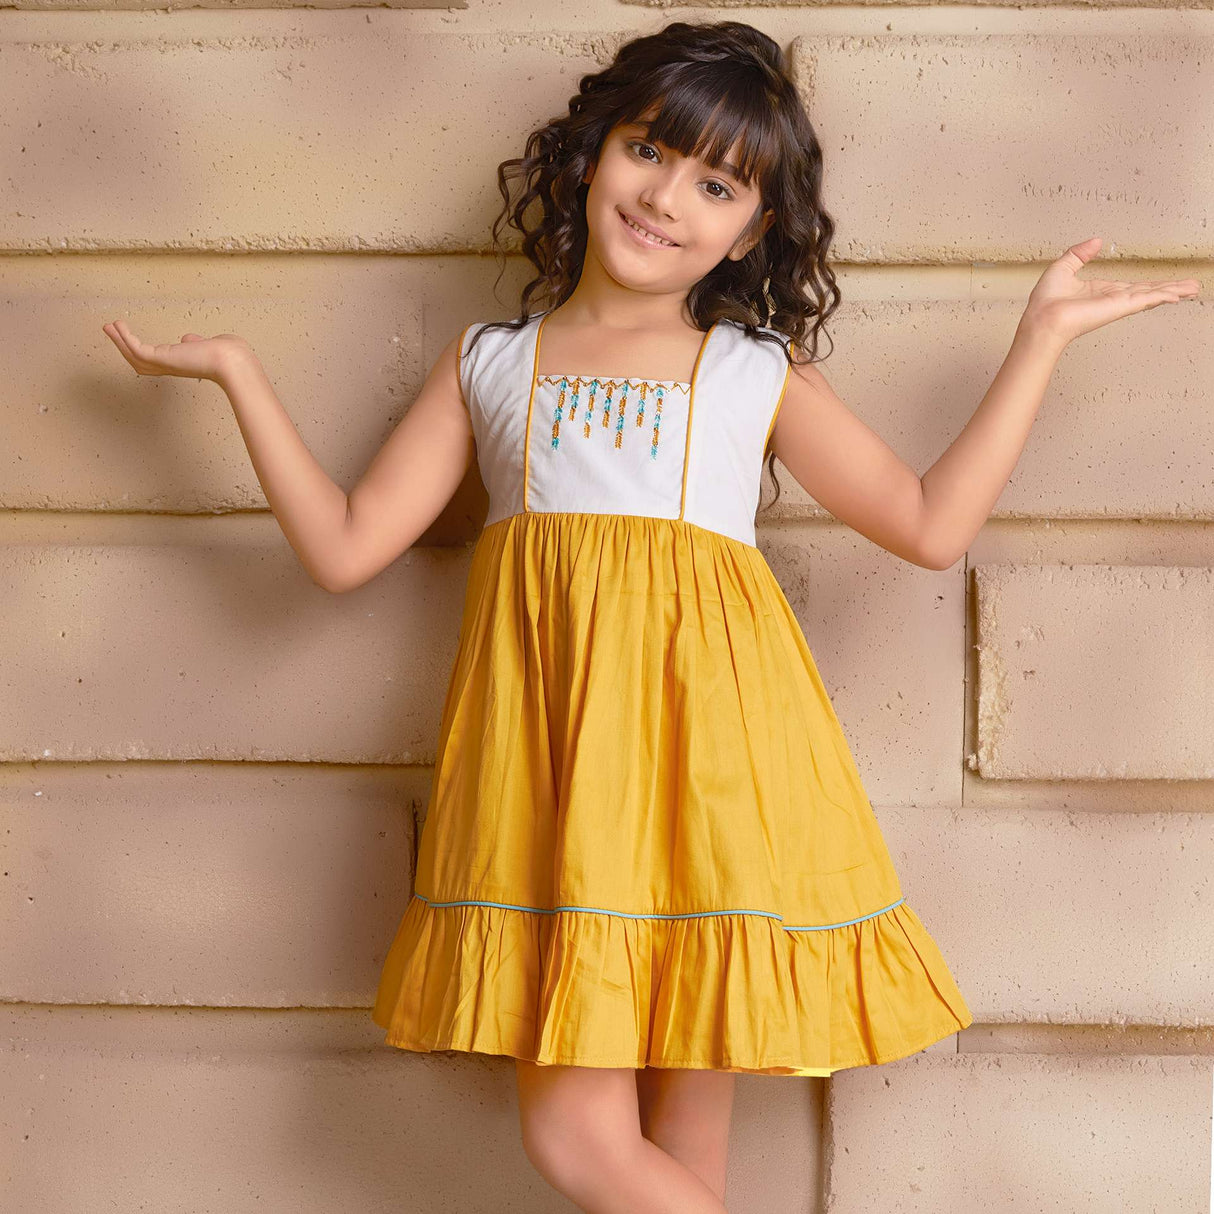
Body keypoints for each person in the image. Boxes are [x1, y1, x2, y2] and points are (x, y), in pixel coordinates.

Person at [101, 19, 1200, 1214]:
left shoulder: (751, 371)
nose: (667, 196)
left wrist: (1034, 341)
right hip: (557, 789)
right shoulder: (491, 362)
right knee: (644, 1159)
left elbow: (929, 524)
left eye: (715, 183)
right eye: (647, 151)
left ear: (753, 227)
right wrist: (239, 378)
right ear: (589, 153)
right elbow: (345, 547)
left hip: (719, 782)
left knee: (602, 1147)